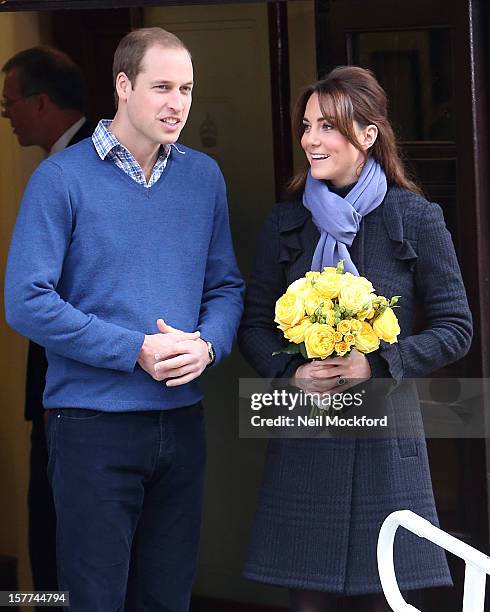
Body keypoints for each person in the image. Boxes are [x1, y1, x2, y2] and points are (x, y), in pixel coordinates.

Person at [4, 27, 243, 612]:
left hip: (182, 425)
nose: (178, 103)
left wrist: (208, 346)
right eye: (161, 86)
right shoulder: (60, 179)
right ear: (122, 86)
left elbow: (227, 288)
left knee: (166, 600)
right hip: (91, 425)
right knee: (92, 599)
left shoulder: (203, 178)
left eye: (186, 88)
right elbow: (26, 301)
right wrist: (133, 348)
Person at [238, 66, 472, 612]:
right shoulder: (285, 222)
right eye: (306, 125)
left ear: (368, 135)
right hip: (305, 436)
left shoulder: (415, 217)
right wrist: (289, 374)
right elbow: (253, 324)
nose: (309, 140)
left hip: (386, 443)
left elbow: (455, 328)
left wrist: (381, 364)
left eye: (327, 126)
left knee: (384, 602)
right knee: (308, 604)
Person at [1, 45, 92, 598]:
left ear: (39, 102)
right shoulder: (61, 161)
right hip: (58, 390)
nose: (6, 115)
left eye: (8, 102)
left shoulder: (82, 163)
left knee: (62, 540)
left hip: (77, 391)